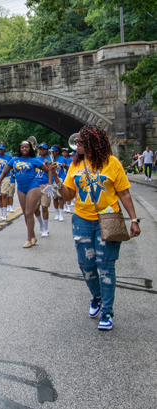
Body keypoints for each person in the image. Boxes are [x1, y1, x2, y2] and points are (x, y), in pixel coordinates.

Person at [51, 125, 141, 331]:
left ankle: (108, 311)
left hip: (108, 219)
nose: (77, 145)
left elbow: (124, 194)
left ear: (93, 143)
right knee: (86, 265)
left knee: (106, 265)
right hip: (82, 220)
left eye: (81, 142)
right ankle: (97, 297)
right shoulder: (75, 164)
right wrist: (56, 179)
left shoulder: (112, 163)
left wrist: (134, 219)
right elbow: (68, 196)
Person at [0, 140, 53, 248]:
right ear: (19, 148)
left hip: (32, 187)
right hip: (21, 188)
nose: (24, 149)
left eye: (27, 147)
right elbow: (4, 172)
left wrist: (50, 184)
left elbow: (48, 171)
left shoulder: (34, 160)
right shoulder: (14, 160)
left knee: (29, 212)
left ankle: (28, 239)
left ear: (30, 149)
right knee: (25, 213)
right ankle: (33, 235)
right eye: (22, 147)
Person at [34, 142, 52, 237]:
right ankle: (40, 224)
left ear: (46, 150)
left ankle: (46, 228)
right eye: (40, 148)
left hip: (45, 185)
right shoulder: (35, 159)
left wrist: (47, 165)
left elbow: (52, 171)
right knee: (35, 208)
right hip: (35, 185)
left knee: (44, 207)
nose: (42, 150)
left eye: (44, 149)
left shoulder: (49, 159)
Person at [50, 146, 66, 222]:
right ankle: (57, 213)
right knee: (55, 198)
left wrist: (64, 165)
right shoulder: (50, 159)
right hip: (53, 180)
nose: (53, 153)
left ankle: (61, 214)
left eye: (54, 151)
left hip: (60, 179)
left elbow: (67, 168)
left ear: (57, 152)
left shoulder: (62, 159)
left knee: (60, 197)